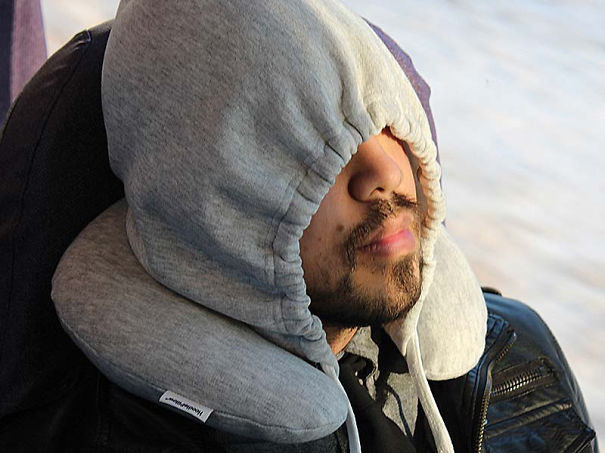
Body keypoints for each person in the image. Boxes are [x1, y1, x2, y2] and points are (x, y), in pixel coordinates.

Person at [0, 0, 597, 452]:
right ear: (203, 196)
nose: (386, 174)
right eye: (301, 141)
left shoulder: (512, 366)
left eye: (382, 117)